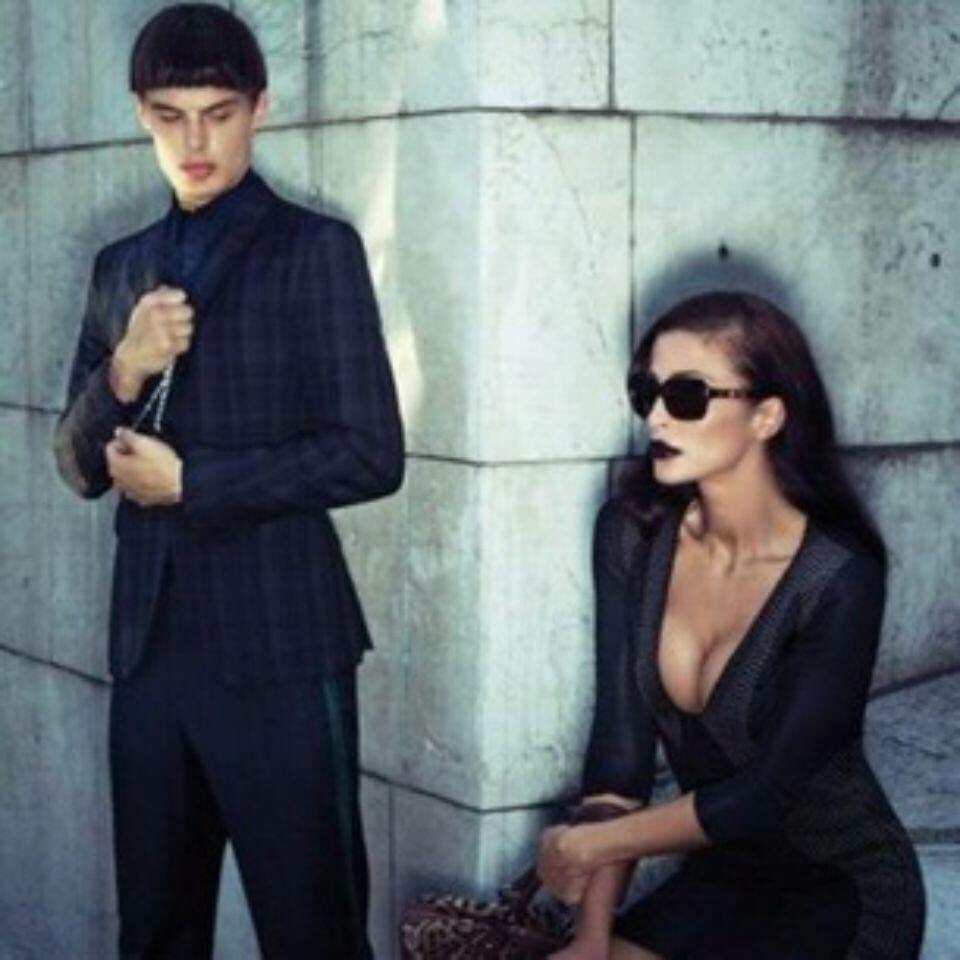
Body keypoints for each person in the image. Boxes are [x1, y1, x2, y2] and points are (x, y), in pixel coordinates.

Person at [53, 4, 403, 957]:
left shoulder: (315, 250)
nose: (195, 142)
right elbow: (75, 464)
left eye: (217, 114)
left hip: (282, 647)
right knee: (154, 935)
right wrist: (125, 369)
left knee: (314, 934)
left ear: (260, 108)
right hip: (149, 652)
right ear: (141, 114)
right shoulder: (119, 267)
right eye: (171, 117)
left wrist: (196, 481)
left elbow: (371, 451)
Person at [537, 292, 925, 959]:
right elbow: (620, 757)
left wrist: (588, 844)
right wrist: (593, 937)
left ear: (767, 416)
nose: (656, 416)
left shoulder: (839, 575)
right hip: (720, 879)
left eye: (687, 395)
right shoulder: (632, 533)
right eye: (646, 392)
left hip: (841, 888)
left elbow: (766, 793)